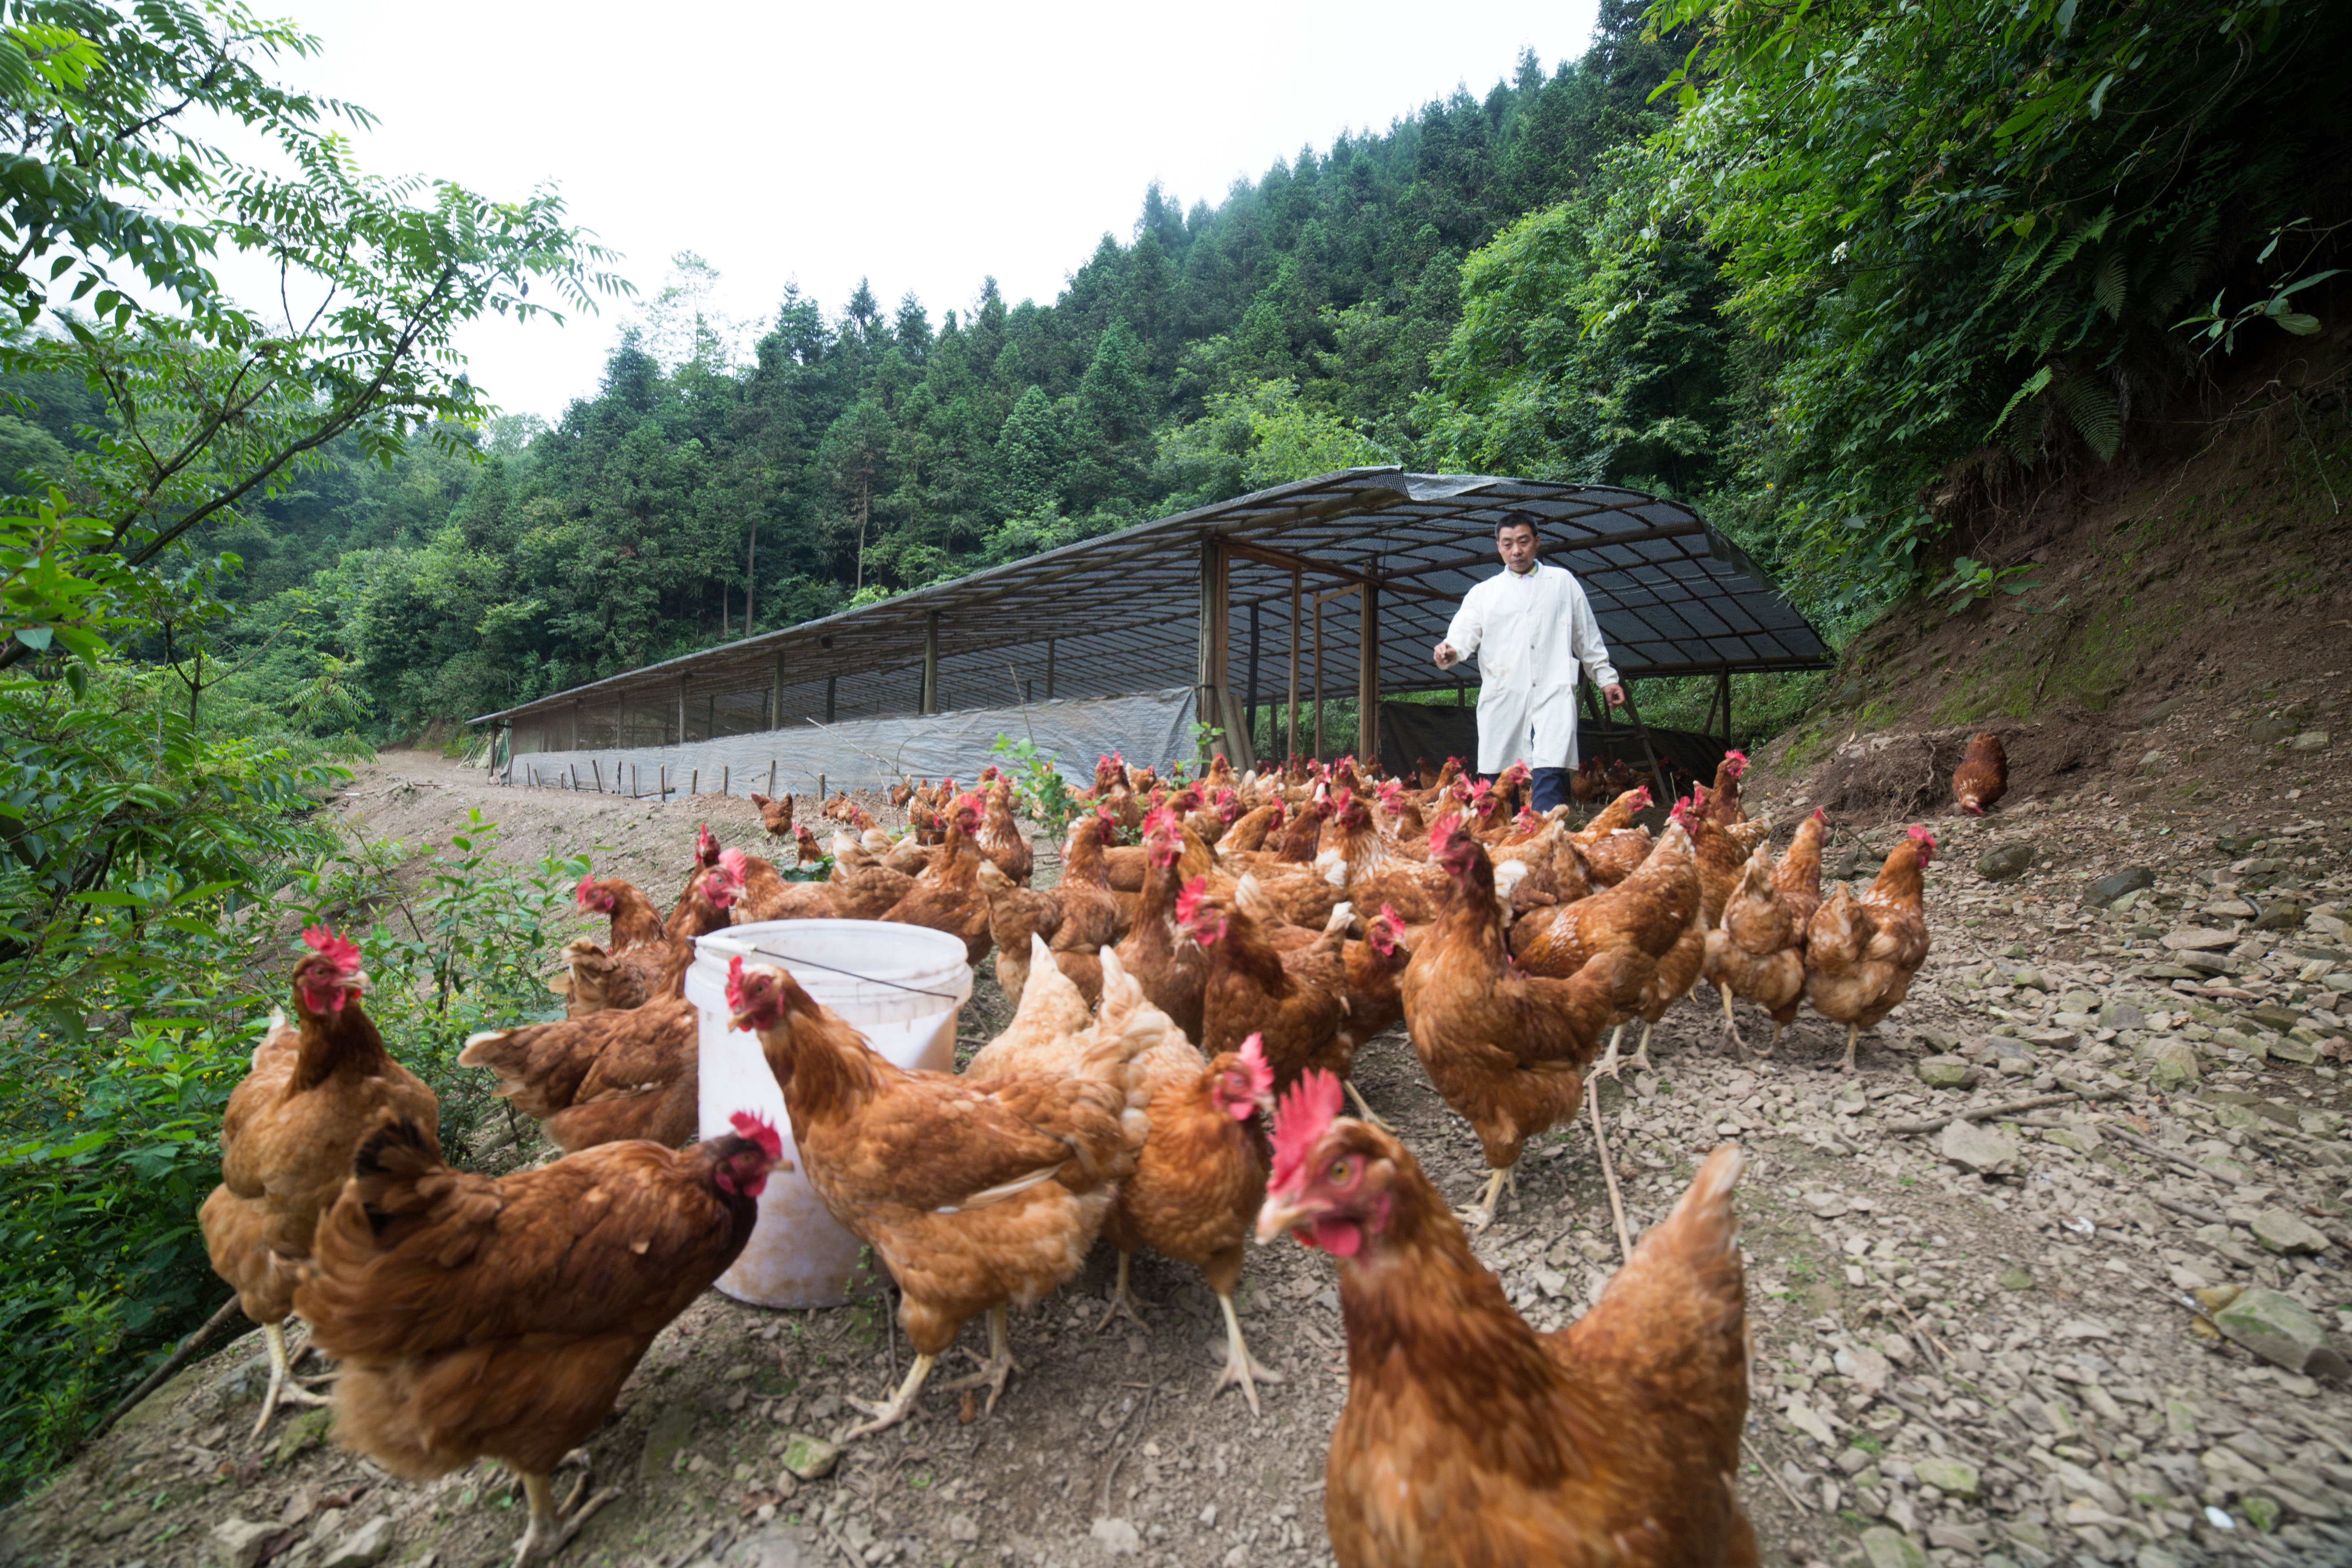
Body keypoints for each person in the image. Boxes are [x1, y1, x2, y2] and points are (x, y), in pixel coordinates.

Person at [1431, 511, 1624, 814]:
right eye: (1508, 544)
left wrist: (1607, 679)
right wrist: (1449, 651)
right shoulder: (1484, 594)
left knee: (1551, 770)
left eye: (1523, 542)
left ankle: (1544, 839)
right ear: (1498, 547)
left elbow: (1586, 636)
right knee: (1500, 782)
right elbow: (1462, 635)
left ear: (1537, 542)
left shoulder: (1562, 583)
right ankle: (1504, 844)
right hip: (1504, 697)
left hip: (1552, 694)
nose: (1516, 551)